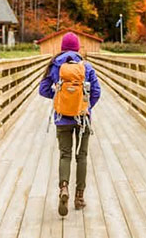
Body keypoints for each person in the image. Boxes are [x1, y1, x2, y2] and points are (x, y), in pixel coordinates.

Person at [38, 32, 101, 216]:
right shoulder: (86, 66)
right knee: (81, 156)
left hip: (62, 117)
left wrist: (59, 99)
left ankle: (63, 188)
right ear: (78, 48)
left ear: (62, 48)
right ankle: (79, 197)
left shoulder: (55, 65)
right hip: (82, 119)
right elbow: (96, 91)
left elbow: (43, 89)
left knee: (65, 155)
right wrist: (86, 106)